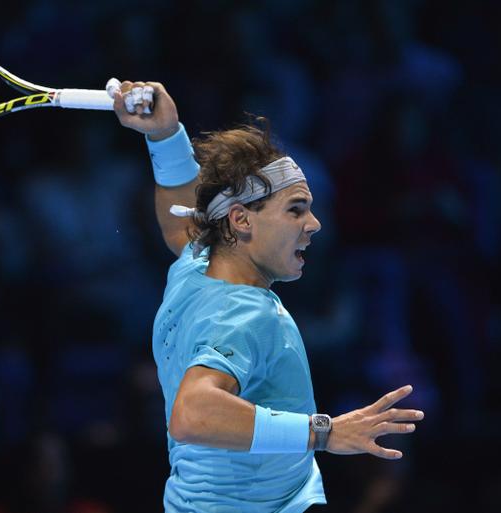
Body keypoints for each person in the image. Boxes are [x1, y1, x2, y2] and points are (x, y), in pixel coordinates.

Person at [111, 79, 425, 512]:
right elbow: (193, 413)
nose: (313, 224)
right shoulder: (247, 313)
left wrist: (165, 136)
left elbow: (179, 224)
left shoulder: (195, 267)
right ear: (240, 220)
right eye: (295, 209)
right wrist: (324, 432)